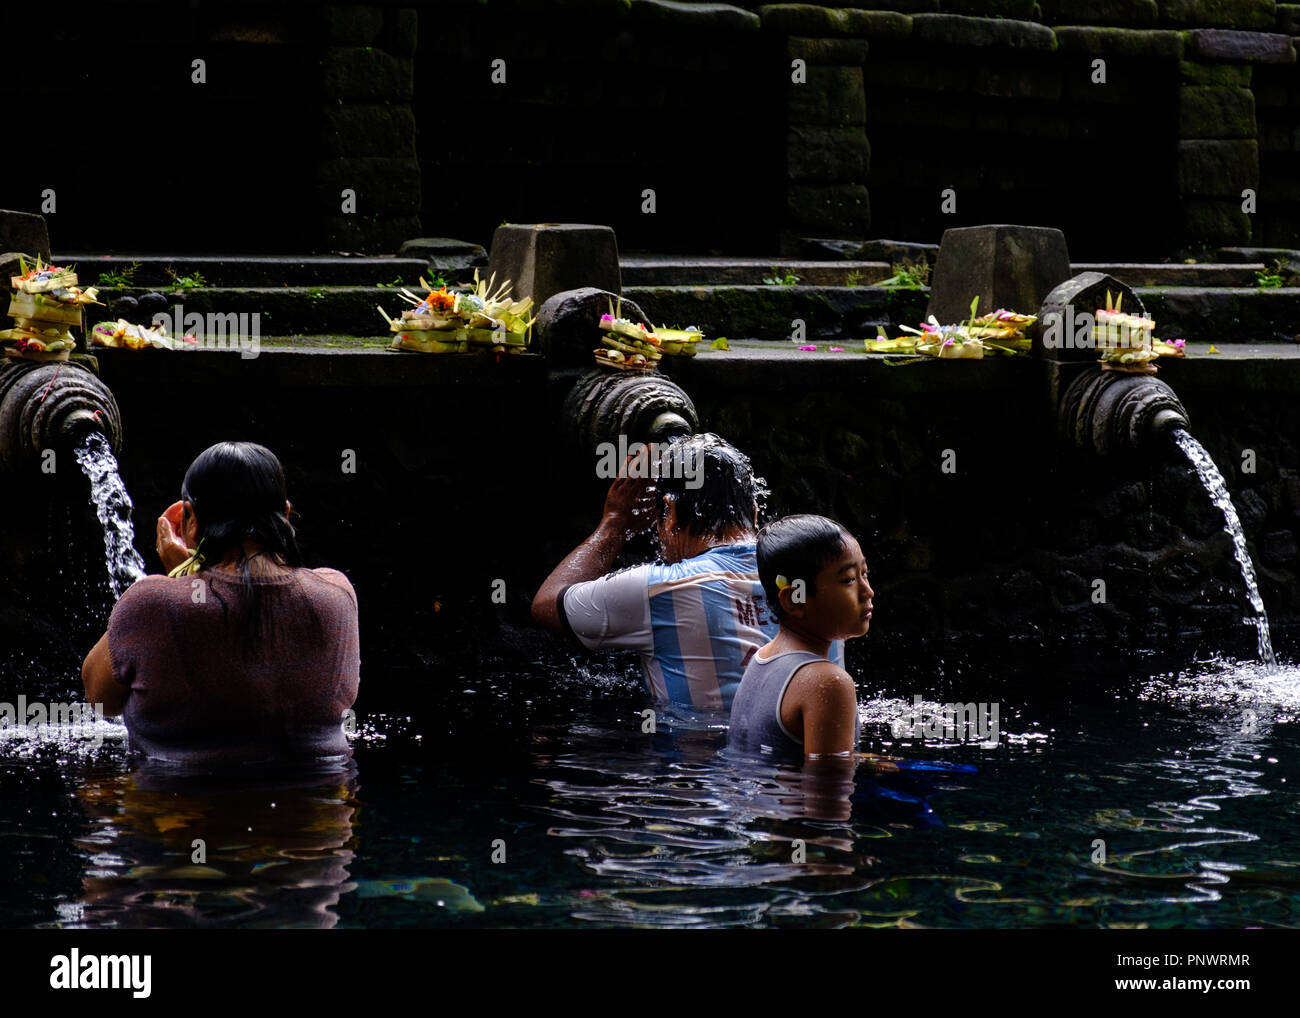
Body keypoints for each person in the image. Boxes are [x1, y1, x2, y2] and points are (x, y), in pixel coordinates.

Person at [81, 441, 360, 766]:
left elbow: (98, 698)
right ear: (285, 514)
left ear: (190, 521)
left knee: (95, 788)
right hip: (319, 806)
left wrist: (181, 579)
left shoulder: (150, 603)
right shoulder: (337, 593)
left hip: (184, 808)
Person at [532, 434, 842, 711]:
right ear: (755, 510)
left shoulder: (659, 588)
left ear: (669, 512)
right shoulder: (818, 581)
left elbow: (546, 605)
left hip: (695, 771)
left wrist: (614, 523)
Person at [728, 515, 872, 767]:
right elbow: (827, 797)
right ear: (795, 599)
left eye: (864, 574)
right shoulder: (827, 682)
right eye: (848, 579)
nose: (867, 591)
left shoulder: (762, 659)